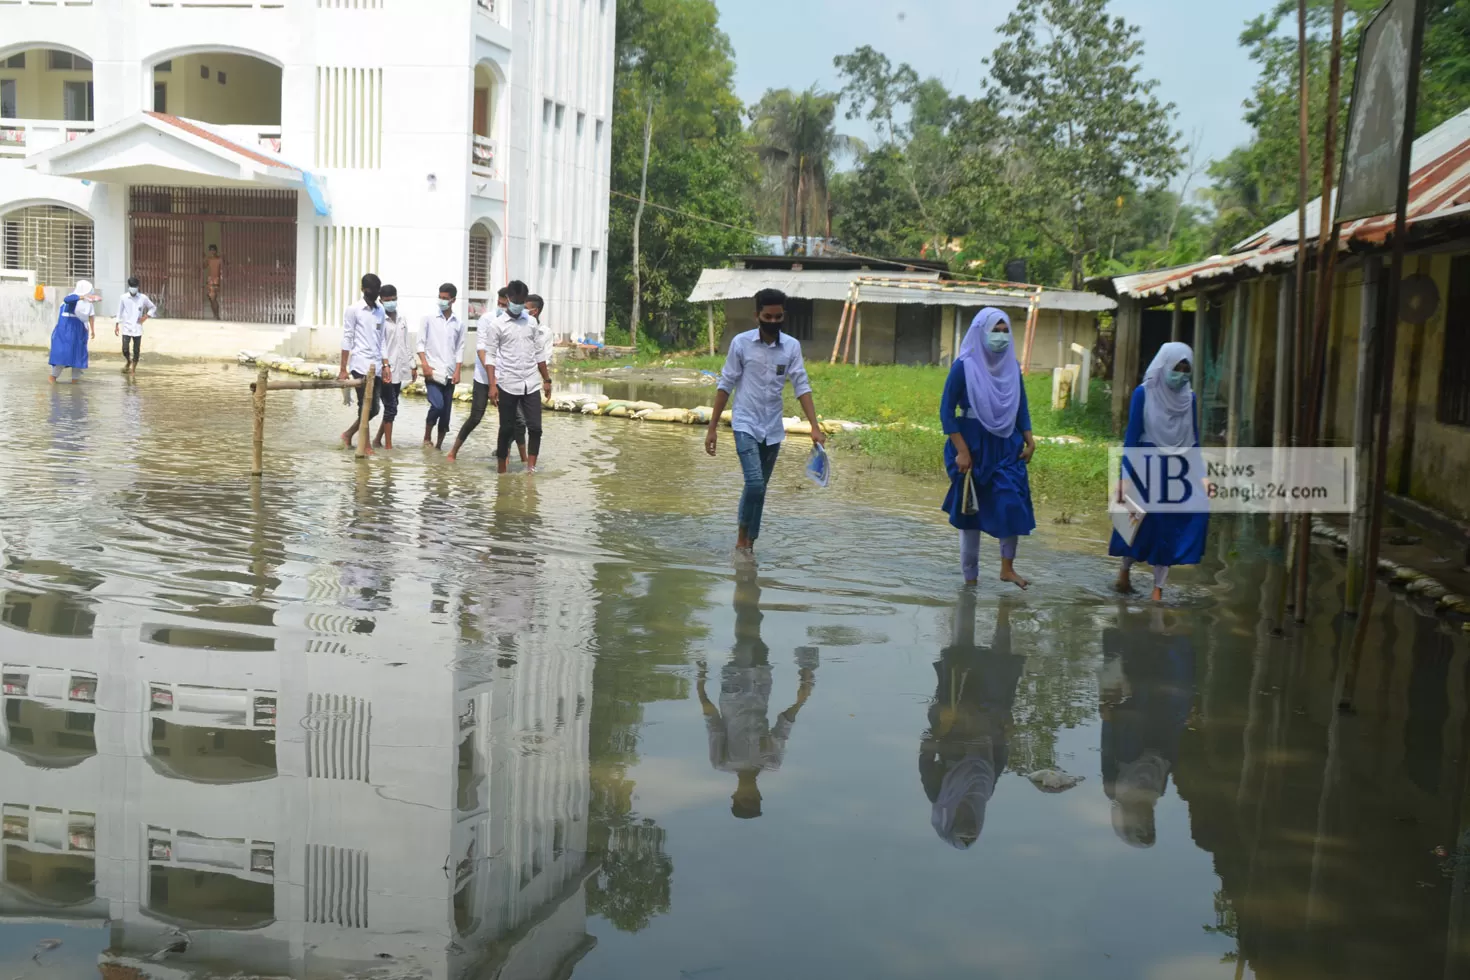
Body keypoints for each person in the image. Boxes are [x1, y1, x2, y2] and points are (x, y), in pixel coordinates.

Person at [704, 288, 826, 553]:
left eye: (778, 317)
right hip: (745, 424)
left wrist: (814, 427)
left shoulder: (791, 347)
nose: (773, 322)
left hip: (772, 428)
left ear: (784, 315)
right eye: (767, 317)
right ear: (756, 315)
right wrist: (712, 428)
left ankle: (750, 543)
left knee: (759, 488)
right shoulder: (741, 343)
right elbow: (726, 385)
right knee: (755, 483)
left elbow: (801, 386)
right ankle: (741, 540)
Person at [698, 567, 817, 819]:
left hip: (734, 690)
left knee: (745, 631)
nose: (749, 794)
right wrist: (801, 697)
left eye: (745, 799)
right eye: (753, 799)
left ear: (735, 795)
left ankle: (745, 578)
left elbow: (714, 724)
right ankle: (748, 580)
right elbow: (783, 727)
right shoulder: (771, 761)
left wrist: (701, 686)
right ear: (760, 796)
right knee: (756, 631)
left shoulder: (722, 762)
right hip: (762, 686)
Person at [941, 308, 1037, 589]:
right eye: (995, 330)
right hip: (971, 444)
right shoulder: (964, 366)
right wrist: (961, 450)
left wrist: (1029, 438)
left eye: (1006, 330)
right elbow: (946, 411)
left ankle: (1007, 568)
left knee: (1011, 503)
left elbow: (1021, 407)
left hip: (1006, 444)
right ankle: (970, 579)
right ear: (981, 332)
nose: (1001, 337)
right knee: (970, 513)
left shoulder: (1012, 368)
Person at [920, 591, 1024, 849]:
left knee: (961, 652)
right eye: (973, 828)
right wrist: (1006, 731)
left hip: (954, 717)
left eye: (962, 825)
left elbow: (925, 756)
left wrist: (940, 728)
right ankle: (1003, 613)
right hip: (989, 718)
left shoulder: (937, 793)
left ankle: (966, 597)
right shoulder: (984, 792)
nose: (969, 821)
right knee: (1000, 663)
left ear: (950, 820)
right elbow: (999, 759)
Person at [1109, 341, 1209, 601]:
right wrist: (1125, 477)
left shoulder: (1190, 398)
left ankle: (1157, 591)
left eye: (1186, 369)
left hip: (1177, 469)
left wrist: (1202, 476)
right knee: (1135, 524)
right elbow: (1132, 437)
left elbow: (1193, 438)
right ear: (1164, 366)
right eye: (1177, 368)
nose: (1181, 375)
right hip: (1145, 466)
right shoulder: (1144, 393)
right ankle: (1124, 572)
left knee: (1169, 527)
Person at [1099, 607, 1195, 848]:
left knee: (1132, 673)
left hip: (1129, 735)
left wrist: (1108, 720)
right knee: (1174, 683)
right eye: (1149, 825)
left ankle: (1129, 622)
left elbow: (1107, 754)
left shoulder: (1114, 791)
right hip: (1160, 735)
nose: (1146, 820)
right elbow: (1169, 761)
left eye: (1140, 826)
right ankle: (1168, 627)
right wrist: (1183, 723)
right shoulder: (1158, 792)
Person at [481, 280, 551, 473]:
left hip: (531, 382)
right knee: (506, 429)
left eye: (522, 301)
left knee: (535, 427)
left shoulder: (531, 322)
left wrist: (547, 379)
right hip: (508, 383)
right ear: (509, 299)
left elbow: (539, 353)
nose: (519, 304)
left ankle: (531, 468)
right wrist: (492, 385)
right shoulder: (497, 325)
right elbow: (491, 357)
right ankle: (502, 469)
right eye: (516, 300)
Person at [447, 287, 512, 462]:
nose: (501, 307)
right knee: (476, 416)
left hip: (507, 377)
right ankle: (453, 451)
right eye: (499, 304)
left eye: (505, 305)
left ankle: (506, 454)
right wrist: (492, 377)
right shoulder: (487, 319)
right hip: (484, 376)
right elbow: (481, 349)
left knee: (510, 420)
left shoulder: (514, 322)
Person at [337, 273, 391, 453]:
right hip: (359, 364)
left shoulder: (380, 311)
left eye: (377, 290)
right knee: (364, 403)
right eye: (371, 290)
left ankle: (348, 433)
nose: (375, 294)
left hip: (375, 365)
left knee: (374, 408)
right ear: (363, 290)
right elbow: (347, 338)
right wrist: (343, 369)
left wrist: (386, 365)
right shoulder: (354, 310)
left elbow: (382, 339)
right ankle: (365, 444)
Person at [418, 282, 465, 450]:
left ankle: (438, 446)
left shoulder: (458, 323)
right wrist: (424, 364)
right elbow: (420, 344)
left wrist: (458, 370)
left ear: (453, 300)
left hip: (450, 373)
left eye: (445, 298)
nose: (442, 301)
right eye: (440, 297)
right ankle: (426, 436)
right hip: (433, 371)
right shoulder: (429, 319)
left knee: (446, 413)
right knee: (437, 405)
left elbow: (460, 348)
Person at [372, 284, 414, 450]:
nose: (391, 303)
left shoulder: (402, 319)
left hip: (399, 369)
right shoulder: (379, 320)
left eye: (393, 300)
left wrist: (412, 365)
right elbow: (377, 345)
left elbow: (406, 343)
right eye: (387, 300)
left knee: (393, 406)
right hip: (385, 370)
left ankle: (377, 440)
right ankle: (388, 446)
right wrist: (383, 365)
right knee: (390, 407)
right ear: (381, 301)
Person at [48, 281, 96, 383]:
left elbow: (91, 316)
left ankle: (75, 383)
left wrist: (92, 330)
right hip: (66, 331)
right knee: (63, 355)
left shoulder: (88, 304)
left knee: (77, 356)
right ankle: (53, 378)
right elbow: (67, 300)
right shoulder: (73, 298)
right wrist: (82, 297)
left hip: (79, 331)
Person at [115, 276, 156, 372]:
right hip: (126, 327)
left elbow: (153, 307)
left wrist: (145, 317)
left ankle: (133, 370)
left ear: (138, 287)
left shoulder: (143, 298)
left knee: (136, 350)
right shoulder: (123, 297)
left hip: (138, 328)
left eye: (135, 286)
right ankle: (128, 361)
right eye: (131, 286)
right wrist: (117, 325)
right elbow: (119, 312)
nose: (133, 288)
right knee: (125, 349)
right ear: (129, 287)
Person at [204, 245, 223, 319]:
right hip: (210, 280)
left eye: (213, 250)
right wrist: (204, 258)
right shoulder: (209, 259)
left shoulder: (219, 259)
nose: (212, 251)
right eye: (211, 250)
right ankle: (215, 314)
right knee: (210, 298)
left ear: (216, 251)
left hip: (216, 280)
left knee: (213, 298)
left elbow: (225, 266)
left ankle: (217, 315)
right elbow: (204, 266)